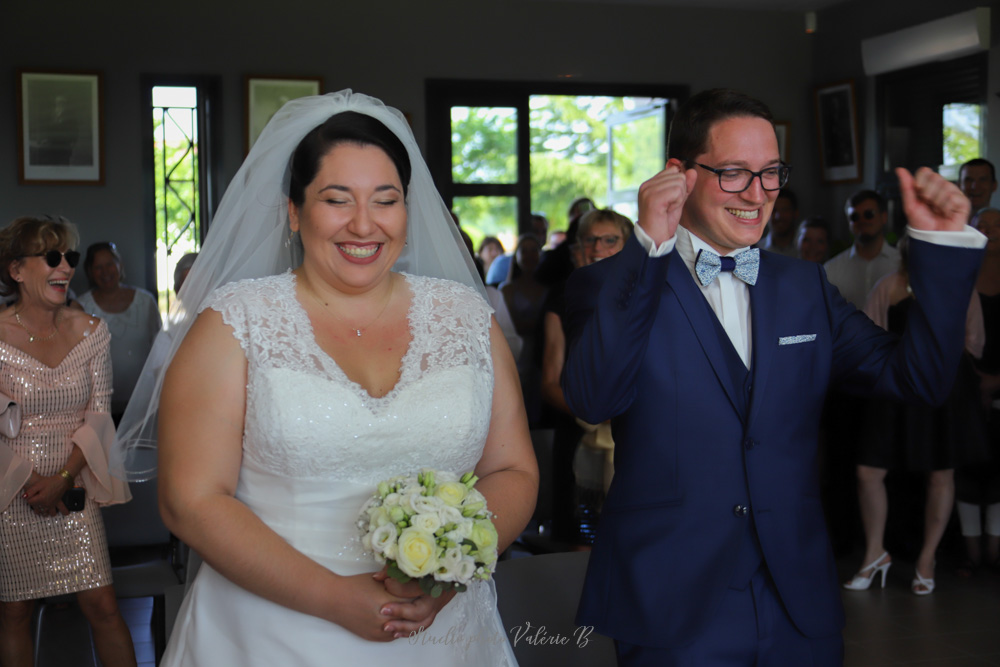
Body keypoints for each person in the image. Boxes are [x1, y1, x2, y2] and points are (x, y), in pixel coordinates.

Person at [561, 88, 985, 665]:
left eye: (771, 173)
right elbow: (593, 396)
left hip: (796, 598)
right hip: (671, 599)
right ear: (678, 177)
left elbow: (921, 380)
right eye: (735, 174)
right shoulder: (611, 284)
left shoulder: (803, 289)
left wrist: (940, 244)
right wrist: (647, 249)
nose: (758, 195)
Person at [114, 91, 536, 666]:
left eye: (385, 201)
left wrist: (447, 572)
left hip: (442, 629)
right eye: (337, 200)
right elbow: (190, 500)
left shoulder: (466, 318)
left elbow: (512, 470)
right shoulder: (234, 323)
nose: (364, 224)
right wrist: (334, 598)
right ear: (294, 210)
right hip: (268, 632)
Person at [0, 216, 134, 667]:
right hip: (9, 494)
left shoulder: (91, 331)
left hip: (74, 490)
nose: (66, 267)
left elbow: (99, 416)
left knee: (104, 607)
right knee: (14, 612)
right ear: (17, 270)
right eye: (52, 257)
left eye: (69, 258)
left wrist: (62, 478)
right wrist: (27, 479)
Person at [846, 235, 988, 595]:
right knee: (868, 471)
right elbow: (868, 333)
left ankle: (927, 559)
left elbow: (973, 343)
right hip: (894, 385)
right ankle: (875, 552)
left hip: (942, 388)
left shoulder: (960, 288)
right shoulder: (888, 285)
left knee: (941, 474)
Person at [540, 208, 632, 546]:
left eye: (610, 240)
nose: (598, 249)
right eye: (590, 240)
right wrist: (595, 410)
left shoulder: (645, 293)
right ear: (577, 248)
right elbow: (549, 381)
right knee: (581, 543)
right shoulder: (562, 295)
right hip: (578, 431)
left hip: (636, 433)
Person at [957, 207, 1000, 576]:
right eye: (980, 226)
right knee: (968, 469)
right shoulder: (960, 277)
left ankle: (995, 551)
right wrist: (975, 380)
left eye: (995, 225)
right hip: (965, 383)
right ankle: (971, 554)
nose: (988, 231)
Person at [76, 242, 162, 422]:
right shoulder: (81, 306)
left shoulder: (146, 302)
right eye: (98, 267)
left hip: (144, 405)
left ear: (120, 265)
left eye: (109, 264)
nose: (105, 271)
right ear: (90, 272)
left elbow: (159, 351)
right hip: (99, 408)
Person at [824, 189, 901, 309]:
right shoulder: (831, 270)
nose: (862, 221)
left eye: (869, 214)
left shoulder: (902, 264)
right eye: (854, 217)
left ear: (884, 217)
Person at [759, 188, 798, 257]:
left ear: (795, 213)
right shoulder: (756, 250)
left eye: (785, 210)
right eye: (774, 210)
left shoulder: (806, 250)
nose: (779, 216)